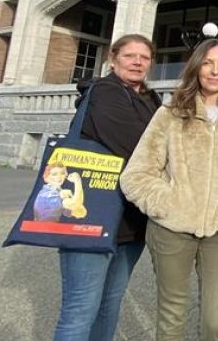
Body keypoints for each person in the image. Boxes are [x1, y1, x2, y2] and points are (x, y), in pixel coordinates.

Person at [121, 39, 218, 341]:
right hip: (172, 229)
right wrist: (168, 204)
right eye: (207, 63)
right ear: (196, 67)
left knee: (215, 322)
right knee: (172, 316)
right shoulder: (170, 114)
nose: (215, 71)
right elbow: (136, 174)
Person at [53, 34, 163, 341]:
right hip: (90, 215)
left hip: (131, 221)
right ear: (113, 60)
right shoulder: (105, 92)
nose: (138, 62)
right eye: (130, 56)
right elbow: (134, 145)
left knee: (110, 304)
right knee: (80, 309)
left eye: (144, 57)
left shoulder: (151, 99)